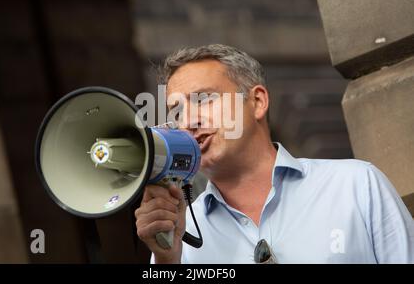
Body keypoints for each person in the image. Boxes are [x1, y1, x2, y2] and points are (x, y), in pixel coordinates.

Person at [134, 44, 414, 263]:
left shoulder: (356, 185)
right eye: (177, 112)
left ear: (257, 102)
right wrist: (167, 261)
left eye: (204, 100)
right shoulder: (179, 233)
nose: (189, 121)